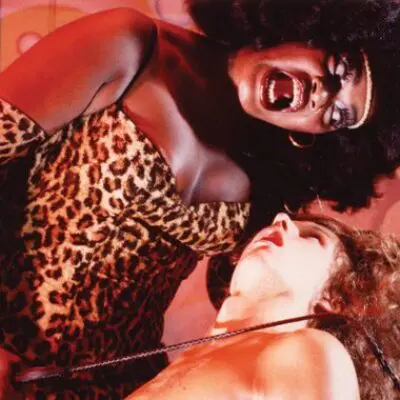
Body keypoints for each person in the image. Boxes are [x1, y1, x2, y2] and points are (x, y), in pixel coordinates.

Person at [0, 0, 399, 398]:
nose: (320, 95)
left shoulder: (271, 184)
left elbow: (257, 315)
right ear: (306, 26)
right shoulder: (130, 47)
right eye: (337, 67)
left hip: (121, 385)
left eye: (338, 115)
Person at [127, 213, 400, 400]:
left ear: (337, 298)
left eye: (312, 236)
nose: (281, 219)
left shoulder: (311, 351)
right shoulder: (185, 359)